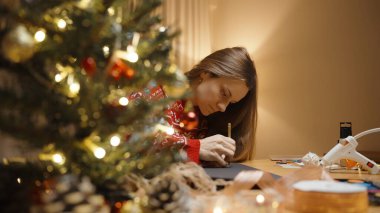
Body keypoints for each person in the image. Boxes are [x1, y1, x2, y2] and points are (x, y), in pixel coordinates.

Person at [130, 47, 257, 167]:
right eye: (224, 93)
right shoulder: (155, 89)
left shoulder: (207, 119)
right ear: (206, 73)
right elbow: (130, 136)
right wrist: (195, 147)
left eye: (232, 102)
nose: (223, 107)